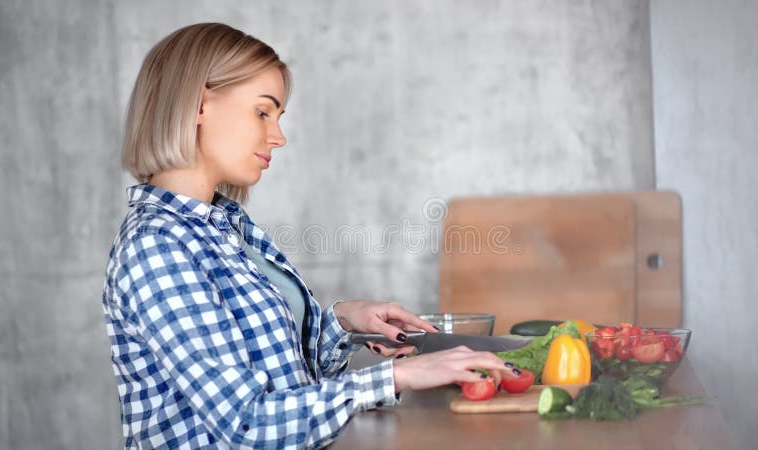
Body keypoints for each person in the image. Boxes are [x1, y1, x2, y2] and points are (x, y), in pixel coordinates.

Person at [102, 22, 510, 449]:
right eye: (262, 111)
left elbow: (289, 381)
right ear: (198, 105)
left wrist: (344, 323)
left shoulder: (227, 227)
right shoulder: (157, 247)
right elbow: (248, 426)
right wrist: (397, 376)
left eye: (278, 117)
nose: (277, 137)